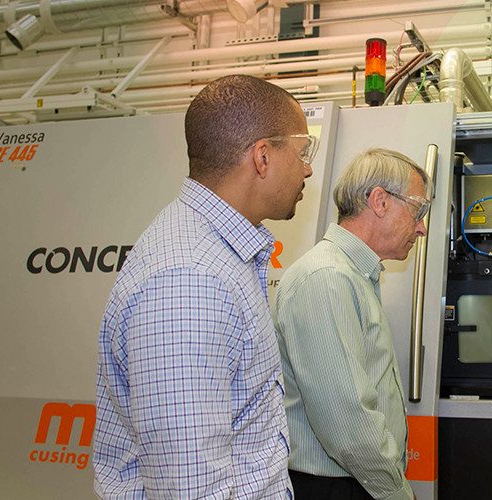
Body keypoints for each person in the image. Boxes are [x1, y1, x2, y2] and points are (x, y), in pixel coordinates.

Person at [93, 74, 317, 499]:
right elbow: (190, 489)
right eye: (303, 152)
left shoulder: (217, 256)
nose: (307, 168)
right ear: (263, 157)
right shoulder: (190, 280)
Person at [274, 148, 431, 500]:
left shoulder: (353, 276)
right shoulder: (327, 278)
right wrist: (396, 494)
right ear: (379, 201)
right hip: (334, 486)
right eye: (418, 210)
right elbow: (348, 423)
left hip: (353, 482)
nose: (421, 227)